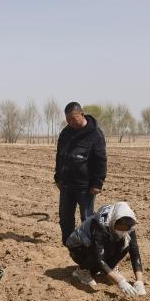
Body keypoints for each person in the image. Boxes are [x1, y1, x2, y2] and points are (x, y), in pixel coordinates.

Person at [65, 201, 146, 298]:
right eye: (119, 228)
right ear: (114, 221)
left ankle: (108, 269)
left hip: (99, 246)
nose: (122, 231)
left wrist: (139, 281)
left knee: (126, 243)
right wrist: (120, 282)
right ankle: (82, 271)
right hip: (79, 247)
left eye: (125, 229)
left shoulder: (129, 226)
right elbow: (98, 257)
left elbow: (134, 252)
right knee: (96, 253)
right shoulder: (100, 224)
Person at [54, 101, 107, 245]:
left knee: (87, 218)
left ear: (82, 115)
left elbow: (101, 160)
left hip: (85, 187)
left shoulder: (95, 134)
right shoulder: (66, 133)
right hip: (66, 185)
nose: (70, 122)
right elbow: (60, 156)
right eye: (68, 120)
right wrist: (58, 177)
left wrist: (98, 183)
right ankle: (69, 243)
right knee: (65, 218)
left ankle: (90, 244)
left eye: (73, 119)